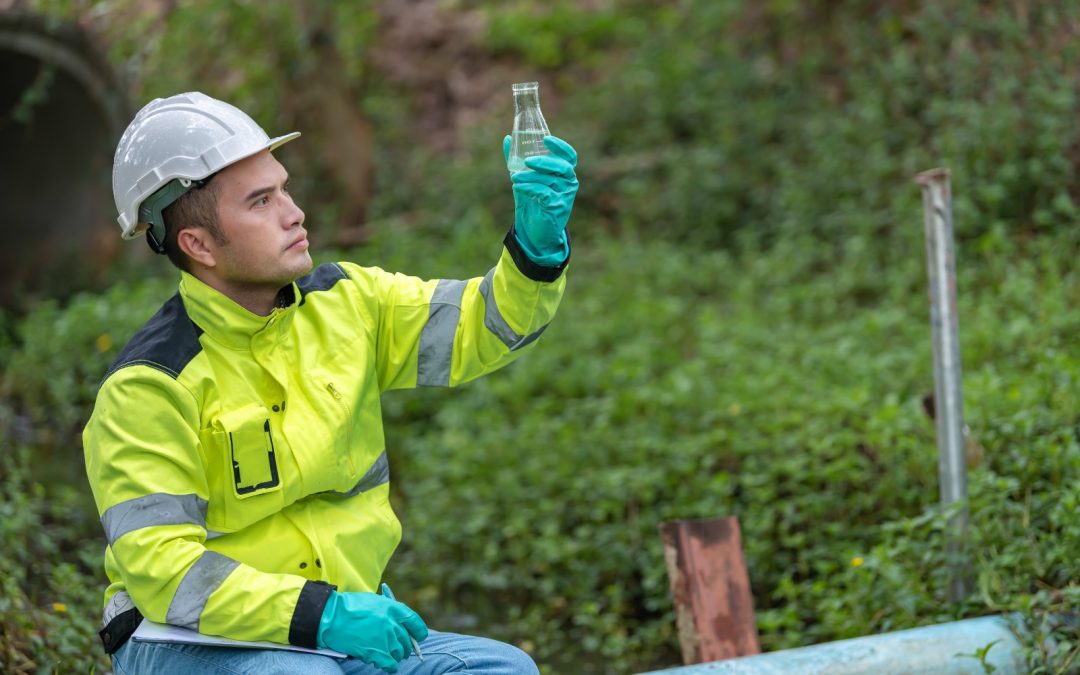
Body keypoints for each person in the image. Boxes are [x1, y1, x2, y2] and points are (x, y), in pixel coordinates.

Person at [82, 91, 578, 674]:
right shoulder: (148, 386)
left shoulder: (349, 302)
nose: (293, 213)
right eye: (261, 202)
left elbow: (484, 325)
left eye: (284, 190)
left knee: (503, 669)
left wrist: (536, 252)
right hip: (184, 640)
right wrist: (321, 617)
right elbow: (167, 571)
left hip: (334, 624)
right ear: (198, 244)